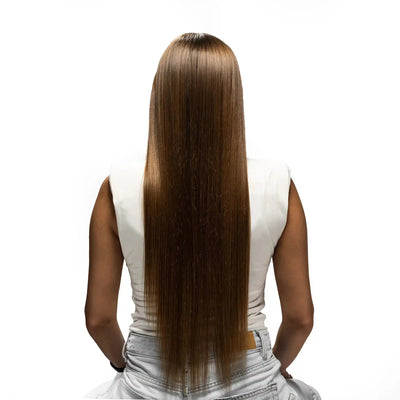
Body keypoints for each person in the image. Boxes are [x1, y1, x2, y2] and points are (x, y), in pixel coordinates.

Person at [84, 32, 322, 399]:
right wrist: (270, 370)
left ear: (161, 98)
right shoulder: (277, 184)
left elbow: (99, 319)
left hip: (148, 376)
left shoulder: (116, 188)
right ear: (232, 100)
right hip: (249, 372)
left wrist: (125, 367)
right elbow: (300, 318)